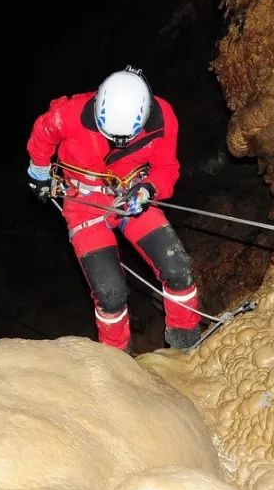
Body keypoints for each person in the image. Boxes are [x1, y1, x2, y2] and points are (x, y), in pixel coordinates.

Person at [25, 65, 202, 352]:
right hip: (84, 204)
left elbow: (167, 168)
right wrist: (39, 171)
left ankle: (185, 340)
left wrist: (149, 188)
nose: (115, 143)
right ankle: (117, 359)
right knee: (110, 293)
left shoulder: (162, 118)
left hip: (129, 197)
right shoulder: (70, 114)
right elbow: (43, 132)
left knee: (177, 267)